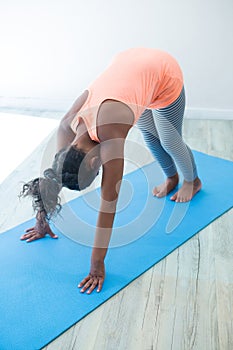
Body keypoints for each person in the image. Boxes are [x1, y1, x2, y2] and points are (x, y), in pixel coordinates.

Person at [20, 48, 202, 294]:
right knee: (150, 135)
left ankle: (193, 180)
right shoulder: (67, 129)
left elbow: (109, 205)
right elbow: (52, 179)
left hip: (161, 70)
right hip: (131, 73)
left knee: (168, 138)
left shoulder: (110, 135)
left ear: (96, 164)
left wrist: (97, 265)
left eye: (97, 175)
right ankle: (172, 177)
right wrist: (41, 222)